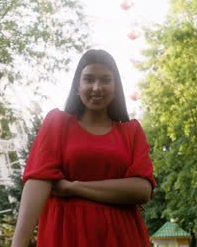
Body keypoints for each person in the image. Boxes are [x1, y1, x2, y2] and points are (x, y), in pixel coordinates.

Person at [11, 49, 156, 247]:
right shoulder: (57, 124)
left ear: (115, 88)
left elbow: (142, 190)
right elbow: (37, 182)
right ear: (78, 86)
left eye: (105, 80)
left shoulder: (131, 132)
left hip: (123, 237)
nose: (97, 87)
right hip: (65, 234)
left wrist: (73, 187)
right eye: (89, 79)